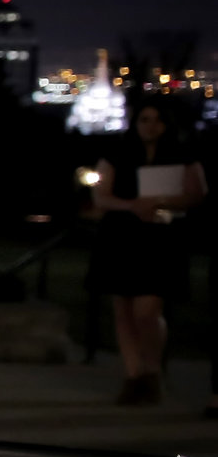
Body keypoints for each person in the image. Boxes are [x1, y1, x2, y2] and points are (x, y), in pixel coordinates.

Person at [86, 97, 206, 406]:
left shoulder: (183, 155)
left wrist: (162, 203)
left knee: (147, 309)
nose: (151, 126)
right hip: (122, 236)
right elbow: (101, 196)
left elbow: (197, 194)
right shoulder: (117, 153)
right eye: (145, 119)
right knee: (123, 309)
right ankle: (133, 375)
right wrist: (132, 206)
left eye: (157, 120)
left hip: (160, 239)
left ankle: (152, 370)